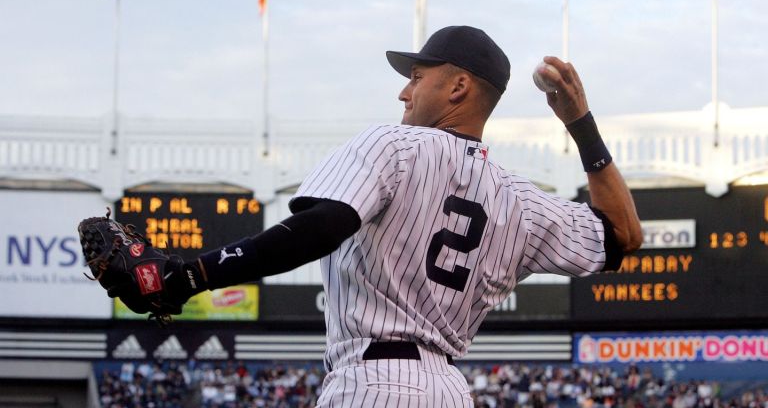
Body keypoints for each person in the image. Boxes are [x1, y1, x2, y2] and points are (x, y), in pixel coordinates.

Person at [114, 25, 642, 407]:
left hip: (374, 383)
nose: (404, 91)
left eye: (417, 76)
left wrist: (188, 276)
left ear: (457, 87)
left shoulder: (396, 144)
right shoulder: (520, 201)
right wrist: (580, 124)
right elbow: (624, 235)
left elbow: (321, 227)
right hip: (452, 392)